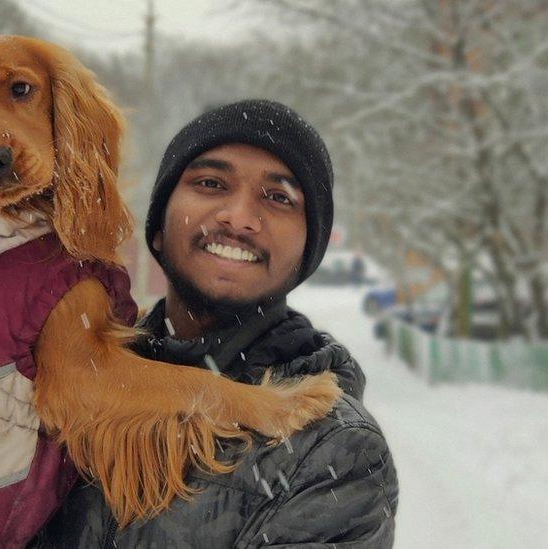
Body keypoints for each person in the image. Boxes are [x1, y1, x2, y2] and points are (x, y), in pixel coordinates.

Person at [34, 99, 399, 548]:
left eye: (278, 197)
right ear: (158, 228)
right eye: (210, 183)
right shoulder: (52, 377)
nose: (240, 218)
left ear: (307, 252)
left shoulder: (334, 451)